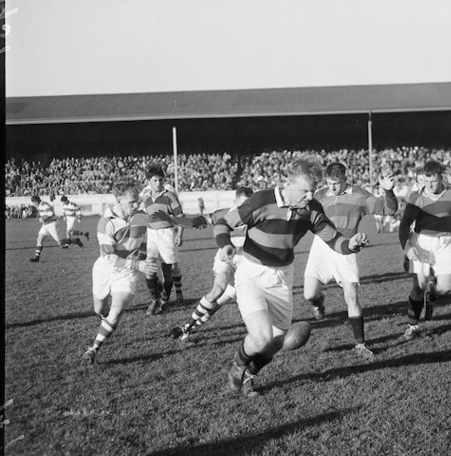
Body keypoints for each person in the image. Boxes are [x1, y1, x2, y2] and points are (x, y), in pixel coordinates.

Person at [214, 157, 369, 397]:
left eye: (312, 191)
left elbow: (334, 240)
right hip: (252, 275)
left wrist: (352, 245)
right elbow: (222, 224)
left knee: (276, 342)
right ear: (288, 183)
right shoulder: (261, 200)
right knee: (262, 336)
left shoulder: (312, 209)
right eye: (305, 191)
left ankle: (249, 377)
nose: (309, 196)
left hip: (283, 279)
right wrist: (225, 245)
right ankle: (237, 368)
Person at [83, 178, 207, 364]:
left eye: (137, 201)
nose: (137, 205)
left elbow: (169, 220)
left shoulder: (141, 215)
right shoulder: (105, 222)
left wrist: (194, 222)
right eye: (132, 201)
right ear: (118, 200)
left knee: (116, 311)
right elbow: (108, 256)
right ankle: (104, 318)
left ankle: (93, 348)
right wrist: (138, 265)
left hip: (127, 273)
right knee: (100, 309)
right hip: (105, 269)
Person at [303, 162, 397, 358]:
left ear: (345, 179)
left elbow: (388, 210)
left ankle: (360, 345)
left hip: (347, 246)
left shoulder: (359, 195)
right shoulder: (319, 195)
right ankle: (319, 303)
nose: (332, 188)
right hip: (321, 247)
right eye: (329, 183)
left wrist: (388, 192)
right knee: (309, 294)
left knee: (351, 297)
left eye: (336, 184)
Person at [169, 187, 254, 341]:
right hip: (225, 260)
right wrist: (174, 220)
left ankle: (188, 326)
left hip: (245, 265)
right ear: (234, 201)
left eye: (248, 205)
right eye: (242, 205)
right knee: (218, 289)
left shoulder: (256, 217)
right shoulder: (224, 214)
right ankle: (186, 328)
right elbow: (199, 221)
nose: (245, 209)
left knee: (217, 304)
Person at [399, 160, 451, 340]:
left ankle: (432, 297)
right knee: (418, 286)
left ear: (441, 178)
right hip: (422, 242)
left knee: (446, 286)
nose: (429, 185)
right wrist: (408, 249)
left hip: (445, 242)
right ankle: (412, 326)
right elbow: (404, 225)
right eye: (426, 180)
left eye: (433, 181)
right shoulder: (417, 197)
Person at [141, 165, 188, 315]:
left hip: (166, 234)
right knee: (149, 268)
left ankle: (164, 300)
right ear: (149, 181)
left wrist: (180, 235)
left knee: (167, 271)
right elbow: (143, 217)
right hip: (151, 235)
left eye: (160, 180)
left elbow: (180, 217)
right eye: (155, 180)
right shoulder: (146, 198)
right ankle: (154, 299)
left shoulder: (169, 196)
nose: (158, 183)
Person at [28, 195, 68, 262]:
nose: (34, 204)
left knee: (60, 242)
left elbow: (50, 213)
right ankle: (36, 257)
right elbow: (43, 213)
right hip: (45, 225)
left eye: (34, 202)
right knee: (39, 239)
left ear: (37, 201)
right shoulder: (40, 205)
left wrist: (42, 218)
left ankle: (75, 241)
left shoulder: (44, 204)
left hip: (51, 224)